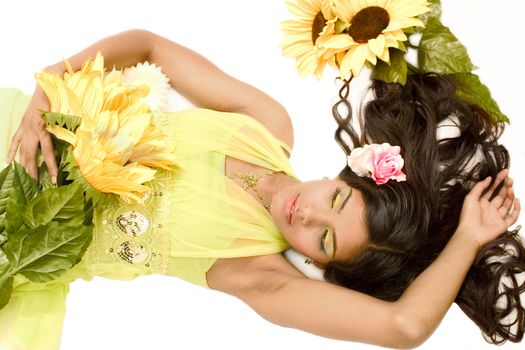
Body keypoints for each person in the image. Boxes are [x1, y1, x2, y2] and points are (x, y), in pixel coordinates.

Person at [0, 28, 523, 350]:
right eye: (335, 201)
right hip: (13, 126)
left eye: (323, 240)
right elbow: (149, 45)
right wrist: (51, 85)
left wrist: (469, 238)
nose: (308, 216)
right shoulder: (267, 126)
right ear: (347, 176)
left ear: (322, 264)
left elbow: (404, 327)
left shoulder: (255, 274)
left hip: (11, 236)